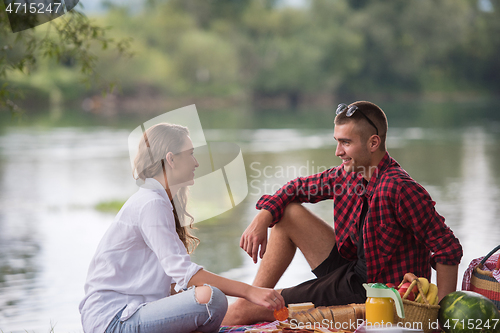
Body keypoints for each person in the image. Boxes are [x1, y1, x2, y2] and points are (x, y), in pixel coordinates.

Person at [223, 101, 463, 325]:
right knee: (288, 212)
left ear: (373, 143)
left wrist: (440, 315)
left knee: (239, 312)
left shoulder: (398, 188)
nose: (338, 151)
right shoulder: (348, 174)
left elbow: (447, 248)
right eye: (337, 141)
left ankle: (249, 307)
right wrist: (262, 217)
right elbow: (296, 188)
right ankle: (255, 297)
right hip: (351, 269)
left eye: (346, 142)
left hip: (377, 292)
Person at [79, 123, 285, 333]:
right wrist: (250, 292)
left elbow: (169, 286)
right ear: (171, 159)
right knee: (212, 299)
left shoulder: (158, 201)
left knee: (205, 297)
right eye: (190, 154)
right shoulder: (151, 203)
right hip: (114, 321)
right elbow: (186, 274)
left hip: (131, 314)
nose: (196, 163)